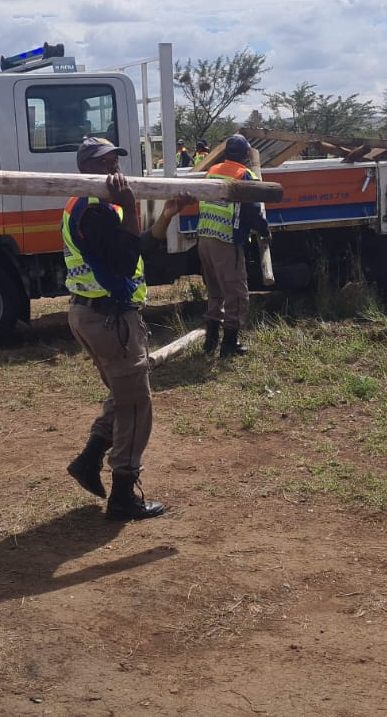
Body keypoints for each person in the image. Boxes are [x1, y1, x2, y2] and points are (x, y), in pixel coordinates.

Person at [62, 137, 193, 520]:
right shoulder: (94, 211)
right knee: (136, 404)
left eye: (115, 161)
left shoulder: (100, 205)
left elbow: (137, 252)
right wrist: (133, 206)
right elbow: (122, 262)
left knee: (124, 393)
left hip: (96, 315)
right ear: (86, 169)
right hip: (108, 319)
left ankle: (89, 460)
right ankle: (123, 494)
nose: (114, 170)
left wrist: (166, 215)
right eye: (105, 164)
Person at [196, 134, 269, 356]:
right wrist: (265, 230)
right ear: (246, 154)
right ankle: (229, 344)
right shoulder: (244, 175)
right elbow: (254, 211)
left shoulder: (213, 170)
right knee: (236, 293)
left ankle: (210, 341)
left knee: (215, 291)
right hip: (226, 241)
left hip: (205, 239)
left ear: (226, 153)